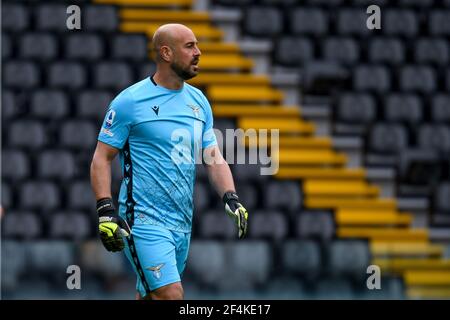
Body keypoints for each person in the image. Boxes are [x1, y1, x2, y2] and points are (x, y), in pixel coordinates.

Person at [90, 23, 249, 300]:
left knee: (151, 295)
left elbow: (213, 157)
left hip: (182, 222)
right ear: (166, 53)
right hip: (143, 221)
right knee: (171, 295)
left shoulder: (199, 101)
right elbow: (101, 158)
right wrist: (105, 209)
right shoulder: (130, 102)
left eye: (197, 45)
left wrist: (230, 196)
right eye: (190, 46)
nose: (198, 52)